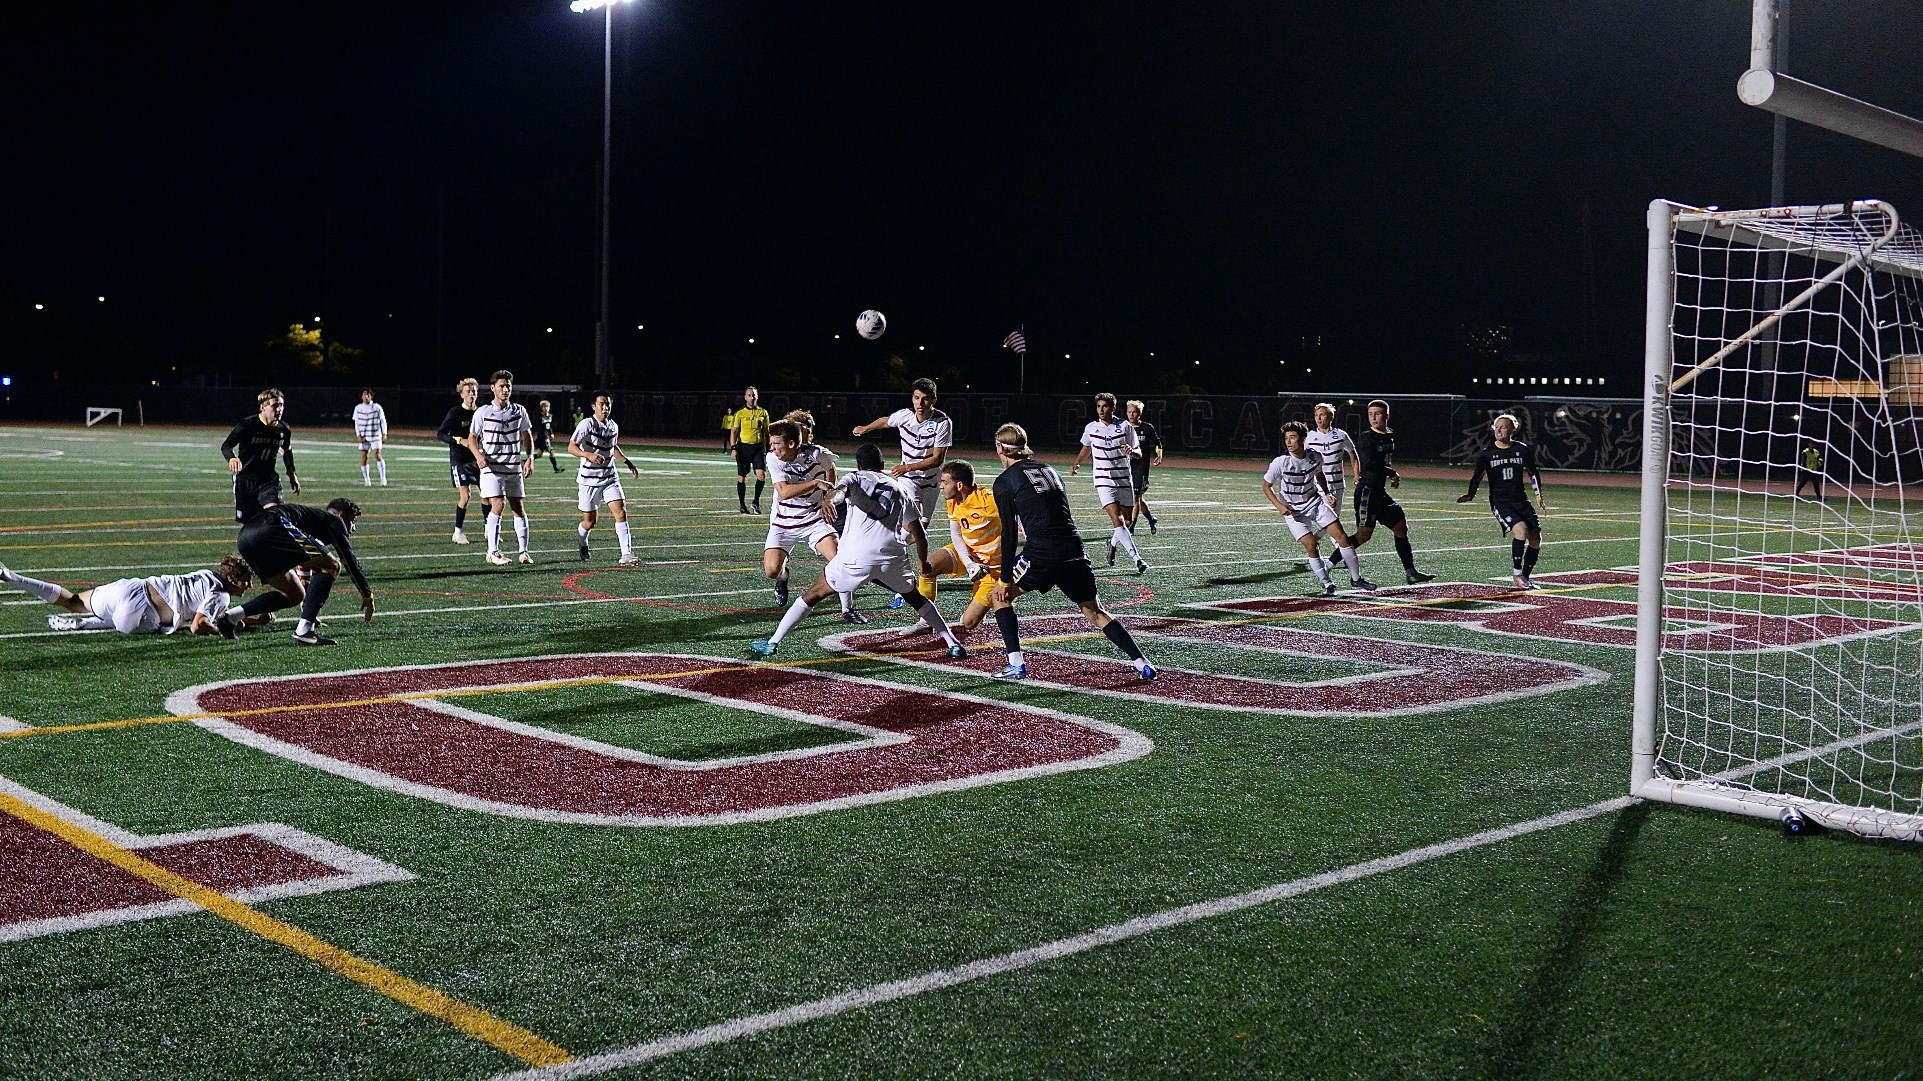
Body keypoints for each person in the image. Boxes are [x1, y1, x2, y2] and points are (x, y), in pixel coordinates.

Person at [749, 442, 967, 659]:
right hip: (891, 558)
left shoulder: (853, 477)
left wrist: (829, 501)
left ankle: (772, 642)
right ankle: (953, 643)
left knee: (812, 595)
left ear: (858, 465)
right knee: (917, 599)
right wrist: (922, 561)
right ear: (881, 464)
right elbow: (920, 534)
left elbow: (839, 492)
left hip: (855, 558)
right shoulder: (900, 488)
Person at [987, 423, 1156, 682]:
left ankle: (1016, 664)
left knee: (1000, 597)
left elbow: (1009, 533)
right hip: (1073, 547)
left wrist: (1005, 577)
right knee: (1095, 611)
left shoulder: (1004, 481)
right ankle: (1142, 662)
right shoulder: (1048, 469)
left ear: (1000, 447)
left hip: (1042, 552)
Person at [223, 498, 374, 646]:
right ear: (341, 515)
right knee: (332, 566)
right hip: (272, 526)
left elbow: (304, 563)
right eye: (353, 520)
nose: (353, 527)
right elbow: (348, 560)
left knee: (295, 594)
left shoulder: (309, 524)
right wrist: (367, 595)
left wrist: (309, 608)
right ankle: (304, 632)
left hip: (245, 537)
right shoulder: (335, 522)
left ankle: (230, 617)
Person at [2, 557, 257, 637]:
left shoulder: (205, 575)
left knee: (74, 602)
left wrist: (250, 621)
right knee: (154, 624)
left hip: (130, 589)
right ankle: (92, 623)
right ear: (232, 580)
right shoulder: (221, 595)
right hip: (143, 616)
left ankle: (12, 577)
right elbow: (198, 625)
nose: (250, 585)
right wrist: (223, 631)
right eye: (246, 580)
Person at [1263, 422, 1376, 596]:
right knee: (1312, 545)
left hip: (1315, 503)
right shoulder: (1280, 463)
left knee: (1342, 538)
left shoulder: (1316, 457)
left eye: (1292, 437)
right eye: (1286, 438)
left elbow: (1318, 474)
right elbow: (1266, 486)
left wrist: (1327, 493)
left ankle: (1356, 579)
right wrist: (1279, 506)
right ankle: (1327, 583)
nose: (1288, 441)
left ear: (1303, 439)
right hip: (1294, 512)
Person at [901, 459, 1008, 638]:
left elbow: (1016, 514)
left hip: (993, 567)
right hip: (968, 552)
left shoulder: (988, 500)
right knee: (926, 567)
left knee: (968, 623)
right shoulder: (953, 500)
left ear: (959, 485)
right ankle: (926, 621)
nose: (941, 486)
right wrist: (968, 563)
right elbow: (956, 535)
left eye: (945, 482)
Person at [1457, 413, 1548, 590]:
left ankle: (1526, 577)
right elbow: (1477, 477)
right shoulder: (1487, 454)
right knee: (1520, 530)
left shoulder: (1522, 450)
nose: (1498, 430)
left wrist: (1538, 495)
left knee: (1536, 538)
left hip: (1521, 500)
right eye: (1496, 427)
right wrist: (1470, 495)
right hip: (1501, 502)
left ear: (1513, 429)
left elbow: (1533, 473)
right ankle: (1516, 574)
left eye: (1503, 427)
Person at [1350, 399, 1436, 585]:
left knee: (1400, 526)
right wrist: (1392, 473)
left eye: (1378, 413)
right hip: (1367, 491)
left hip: (1380, 492)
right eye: (1370, 414)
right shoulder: (1366, 437)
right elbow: (1370, 463)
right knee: (1363, 535)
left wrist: (1389, 474)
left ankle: (1411, 572)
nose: (1373, 417)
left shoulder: (1389, 435)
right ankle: (1329, 564)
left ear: (1387, 416)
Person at [852, 377, 952, 525]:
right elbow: (886, 421)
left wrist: (907, 467)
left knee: (922, 526)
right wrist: (866, 428)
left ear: (934, 400)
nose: (920, 403)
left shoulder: (942, 422)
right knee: (913, 521)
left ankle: (899, 543)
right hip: (909, 479)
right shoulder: (904, 415)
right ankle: (888, 544)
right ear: (912, 398)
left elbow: (938, 459)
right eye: (916, 398)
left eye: (925, 399)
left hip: (932, 479)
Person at [1068, 392, 1148, 573]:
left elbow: (1139, 452)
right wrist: (1077, 463)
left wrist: (1131, 451)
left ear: (1113, 408)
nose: (1100, 410)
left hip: (1123, 477)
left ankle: (1112, 543)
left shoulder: (1125, 426)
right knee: (1117, 520)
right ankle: (1137, 559)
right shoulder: (1091, 427)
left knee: (1127, 521)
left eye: (1104, 406)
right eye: (1098, 407)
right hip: (1103, 479)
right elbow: (1086, 446)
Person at [467, 370, 535, 565]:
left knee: (518, 507)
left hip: (513, 467)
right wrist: (479, 456)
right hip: (492, 467)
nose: (505, 390)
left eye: (508, 386)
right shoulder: (483, 412)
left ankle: (524, 552)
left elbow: (527, 435)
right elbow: (472, 437)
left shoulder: (519, 410)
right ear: (493, 388)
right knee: (498, 504)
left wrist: (530, 458)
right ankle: (492, 551)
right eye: (501, 386)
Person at [567, 390, 644, 565]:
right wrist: (588, 455)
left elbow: (612, 447)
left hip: (610, 477)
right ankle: (582, 540)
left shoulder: (613, 426)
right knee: (590, 521)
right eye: (602, 404)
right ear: (594, 406)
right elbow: (571, 447)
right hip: (588, 479)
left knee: (621, 512)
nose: (605, 407)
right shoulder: (586, 425)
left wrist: (627, 462)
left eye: (608, 404)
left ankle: (626, 554)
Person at [221, 388, 300, 522]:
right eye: (275, 405)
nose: (279, 409)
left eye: (281, 405)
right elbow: (226, 446)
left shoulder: (284, 429)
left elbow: (286, 451)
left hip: (268, 480)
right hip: (245, 480)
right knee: (249, 523)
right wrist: (232, 458)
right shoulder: (248, 425)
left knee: (275, 514)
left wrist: (292, 474)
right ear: (263, 407)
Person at [436, 378, 482, 544]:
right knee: (466, 495)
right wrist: (459, 440)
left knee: (486, 495)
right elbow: (440, 434)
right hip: (459, 458)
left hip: (477, 457)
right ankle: (458, 532)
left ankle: (488, 529)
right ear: (462, 394)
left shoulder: (481, 412)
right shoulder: (455, 413)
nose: (472, 394)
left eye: (474, 391)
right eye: (468, 392)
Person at [1304, 402, 1356, 531]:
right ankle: (1341, 546)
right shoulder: (1310, 437)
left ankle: (1334, 545)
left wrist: (1356, 475)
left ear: (1330, 417)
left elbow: (1353, 454)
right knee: (1326, 520)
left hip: (1337, 485)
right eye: (1316, 415)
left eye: (1322, 415)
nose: (1318, 418)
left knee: (1333, 520)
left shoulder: (1341, 435)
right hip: (1316, 485)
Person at [725, 386, 772, 514]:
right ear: (745, 397)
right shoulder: (739, 414)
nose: (752, 397)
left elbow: (766, 432)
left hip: (758, 448)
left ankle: (756, 502)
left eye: (754, 395)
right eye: (749, 395)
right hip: (743, 447)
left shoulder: (763, 413)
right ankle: (742, 505)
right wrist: (734, 448)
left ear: (757, 397)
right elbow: (734, 432)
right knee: (742, 477)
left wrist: (769, 447)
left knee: (761, 475)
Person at [1125, 399, 1164, 533]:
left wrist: (1159, 454)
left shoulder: (1147, 428)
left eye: (1134, 412)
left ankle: (1131, 528)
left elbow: (1157, 442)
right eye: (1129, 412)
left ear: (1140, 413)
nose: (1131, 415)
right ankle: (1151, 519)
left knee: (1135, 497)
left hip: (1141, 467)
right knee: (1138, 498)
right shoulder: (1123, 427)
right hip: (1126, 466)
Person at [352, 388, 389, 487]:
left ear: (371, 397)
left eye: (368, 395)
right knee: (364, 457)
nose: (366, 397)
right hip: (364, 436)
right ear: (362, 396)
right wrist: (358, 435)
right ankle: (367, 480)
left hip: (375, 435)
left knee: (377, 455)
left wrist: (384, 433)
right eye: (364, 395)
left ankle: (383, 478)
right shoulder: (358, 408)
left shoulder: (377, 407)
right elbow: (356, 423)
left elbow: (383, 420)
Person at [532, 400, 565, 474]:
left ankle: (526, 461)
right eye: (544, 407)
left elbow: (549, 427)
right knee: (551, 451)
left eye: (547, 407)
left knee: (539, 454)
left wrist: (551, 433)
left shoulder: (550, 416)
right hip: (542, 437)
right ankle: (556, 468)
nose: (546, 408)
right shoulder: (539, 417)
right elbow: (538, 427)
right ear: (541, 408)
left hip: (547, 436)